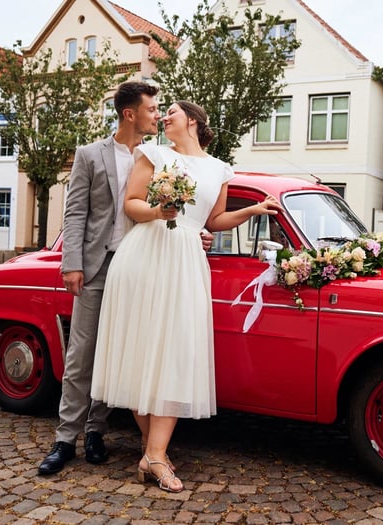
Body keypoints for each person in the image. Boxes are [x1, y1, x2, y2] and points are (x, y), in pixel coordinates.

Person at [90, 100, 282, 492]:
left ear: (192, 120)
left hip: (187, 260)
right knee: (142, 352)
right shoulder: (153, 153)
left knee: (176, 351)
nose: (163, 118)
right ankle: (154, 453)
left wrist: (255, 210)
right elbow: (131, 204)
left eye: (171, 112)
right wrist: (159, 212)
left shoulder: (219, 168)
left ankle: (152, 454)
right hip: (144, 255)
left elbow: (214, 221)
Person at [38, 82, 215, 475]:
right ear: (129, 114)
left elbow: (191, 209)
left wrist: (196, 230)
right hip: (99, 264)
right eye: (153, 109)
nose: (159, 115)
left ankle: (95, 431)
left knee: (121, 350)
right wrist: (72, 263)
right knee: (82, 354)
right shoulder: (90, 155)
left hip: (145, 267)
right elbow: (75, 213)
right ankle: (65, 441)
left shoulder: (166, 157)